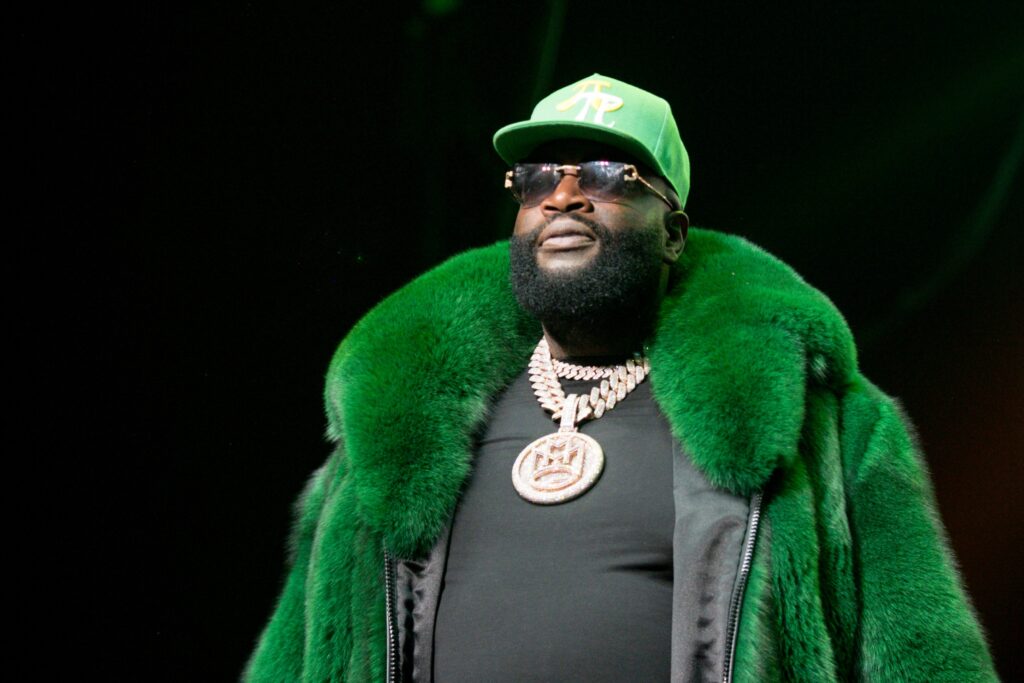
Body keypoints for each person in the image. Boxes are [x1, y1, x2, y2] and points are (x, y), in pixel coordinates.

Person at [244, 74, 996, 682]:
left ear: (673, 233)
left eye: (608, 174)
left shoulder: (825, 425)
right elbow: (297, 655)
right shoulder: (397, 430)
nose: (563, 195)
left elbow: (927, 656)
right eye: (536, 178)